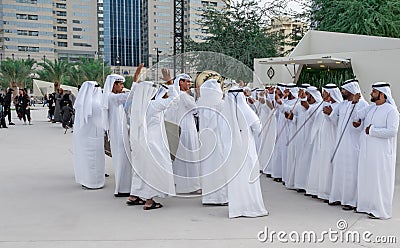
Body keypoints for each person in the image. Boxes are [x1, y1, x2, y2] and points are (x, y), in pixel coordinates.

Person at [128, 81, 179, 210]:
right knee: (154, 169)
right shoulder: (154, 105)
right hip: (154, 142)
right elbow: (175, 100)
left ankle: (134, 196)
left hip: (140, 142)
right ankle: (149, 201)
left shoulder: (137, 106)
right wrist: (171, 84)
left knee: (140, 169)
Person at [353, 82, 399, 219]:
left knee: (380, 181)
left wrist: (373, 131)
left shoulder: (392, 111)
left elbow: (392, 131)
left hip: (381, 154)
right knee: (367, 178)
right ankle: (366, 206)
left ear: (382, 94)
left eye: (374, 92)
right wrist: (357, 103)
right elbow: (358, 115)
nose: (371, 94)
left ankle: (380, 210)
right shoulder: (371, 108)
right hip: (367, 151)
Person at [224, 87, 268, 218]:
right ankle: (251, 207)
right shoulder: (245, 109)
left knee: (237, 178)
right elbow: (258, 127)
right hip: (247, 149)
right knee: (249, 177)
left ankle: (237, 209)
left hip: (232, 151)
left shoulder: (226, 112)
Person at [326, 79, 368, 211]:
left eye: (344, 90)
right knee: (339, 170)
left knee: (350, 172)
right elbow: (334, 120)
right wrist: (329, 114)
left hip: (353, 144)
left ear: (351, 90)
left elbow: (359, 124)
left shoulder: (362, 104)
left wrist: (355, 103)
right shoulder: (342, 104)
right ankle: (337, 196)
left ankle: (350, 201)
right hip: (340, 143)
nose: (342, 92)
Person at [166, 74, 201, 194]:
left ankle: (182, 184)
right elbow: (196, 110)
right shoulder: (183, 96)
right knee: (189, 154)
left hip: (184, 125)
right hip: (187, 127)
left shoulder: (181, 95)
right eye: (187, 82)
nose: (189, 84)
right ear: (180, 83)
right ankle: (190, 185)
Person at [197, 79, 229, 205]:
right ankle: (220, 198)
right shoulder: (221, 103)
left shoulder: (200, 102)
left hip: (205, 140)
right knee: (219, 168)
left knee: (207, 168)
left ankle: (209, 197)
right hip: (218, 140)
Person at [102, 74, 133, 197]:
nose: (122, 86)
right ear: (114, 85)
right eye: (120, 84)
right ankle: (121, 189)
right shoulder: (111, 98)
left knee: (125, 160)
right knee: (121, 160)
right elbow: (128, 96)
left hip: (122, 133)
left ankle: (125, 187)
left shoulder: (115, 98)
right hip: (117, 134)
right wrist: (135, 83)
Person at [73, 81, 105, 189]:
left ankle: (86, 180)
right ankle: (94, 182)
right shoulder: (95, 102)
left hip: (85, 136)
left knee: (87, 160)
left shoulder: (83, 102)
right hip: (94, 136)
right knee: (95, 161)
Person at [315, 84, 343, 201]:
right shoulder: (326, 105)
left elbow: (339, 123)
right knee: (324, 164)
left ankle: (332, 193)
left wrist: (330, 113)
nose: (323, 94)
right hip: (325, 139)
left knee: (331, 166)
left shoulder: (339, 106)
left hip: (333, 139)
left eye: (325, 92)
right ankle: (323, 191)